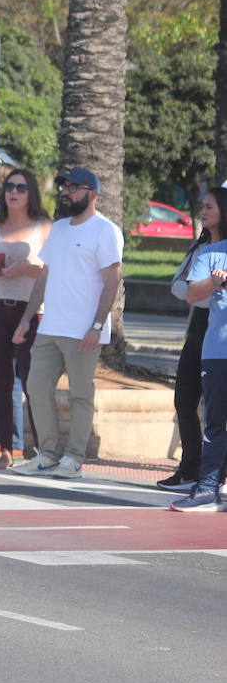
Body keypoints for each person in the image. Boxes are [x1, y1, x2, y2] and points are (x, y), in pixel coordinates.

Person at [10, 168, 123, 479]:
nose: (66, 192)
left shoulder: (105, 231)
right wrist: (25, 320)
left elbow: (112, 282)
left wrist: (97, 327)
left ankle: (73, 458)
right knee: (35, 387)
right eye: (64, 186)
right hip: (50, 328)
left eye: (75, 187)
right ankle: (47, 454)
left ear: (93, 194)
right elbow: (44, 276)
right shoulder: (58, 229)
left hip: (84, 330)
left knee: (80, 394)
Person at [0, 167, 50, 469]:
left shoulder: (43, 225)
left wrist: (26, 269)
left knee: (33, 382)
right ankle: (6, 449)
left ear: (31, 192)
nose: (14, 192)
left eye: (21, 187)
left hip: (29, 310)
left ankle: (44, 450)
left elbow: (51, 270)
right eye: (9, 187)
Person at [156, 187, 227, 492]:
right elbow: (183, 289)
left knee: (217, 413)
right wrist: (209, 283)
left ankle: (217, 476)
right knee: (185, 399)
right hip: (201, 327)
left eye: (209, 206)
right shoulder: (202, 249)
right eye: (202, 206)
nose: (203, 211)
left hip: (216, 326)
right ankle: (190, 469)